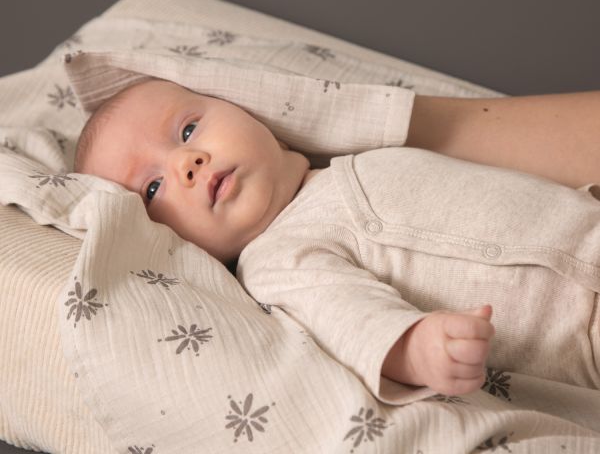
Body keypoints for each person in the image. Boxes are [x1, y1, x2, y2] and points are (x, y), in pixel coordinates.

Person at [73, 77, 600, 402]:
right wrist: (413, 347)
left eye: (188, 130)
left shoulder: (352, 156)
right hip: (577, 327)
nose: (186, 163)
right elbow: (346, 315)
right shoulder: (275, 258)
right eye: (153, 188)